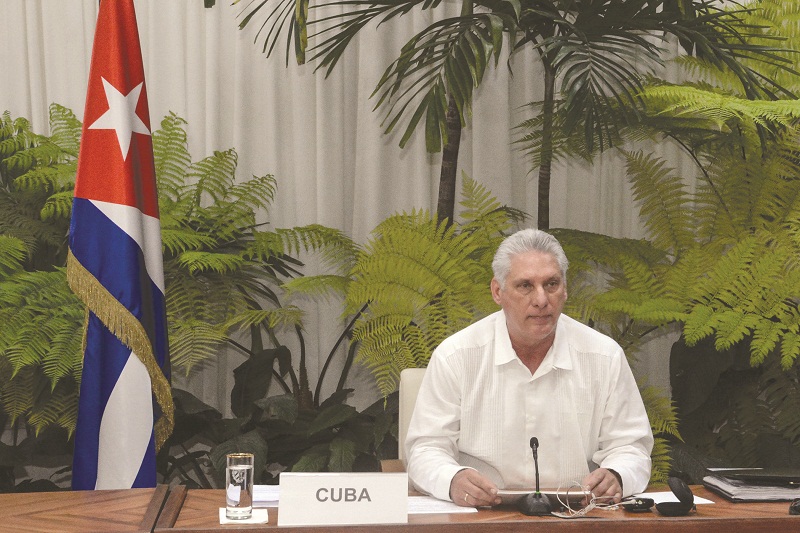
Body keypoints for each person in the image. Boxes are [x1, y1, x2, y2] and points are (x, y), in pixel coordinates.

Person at [405, 228, 653, 507]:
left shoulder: (604, 356)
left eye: (551, 284)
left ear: (566, 289)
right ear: (498, 292)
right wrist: (451, 479)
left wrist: (617, 475)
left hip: (576, 516)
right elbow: (425, 449)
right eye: (525, 286)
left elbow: (632, 448)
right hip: (482, 516)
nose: (541, 300)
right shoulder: (456, 356)